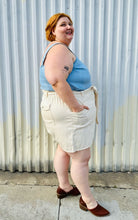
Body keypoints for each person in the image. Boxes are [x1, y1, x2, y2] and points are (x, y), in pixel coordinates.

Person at [39, 13, 110, 217]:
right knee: (81, 157)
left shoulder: (57, 49)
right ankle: (89, 201)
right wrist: (76, 106)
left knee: (64, 148)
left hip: (58, 107)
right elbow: (55, 79)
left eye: (70, 23)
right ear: (53, 31)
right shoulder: (59, 49)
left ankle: (65, 187)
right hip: (69, 109)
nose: (69, 27)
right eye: (63, 25)